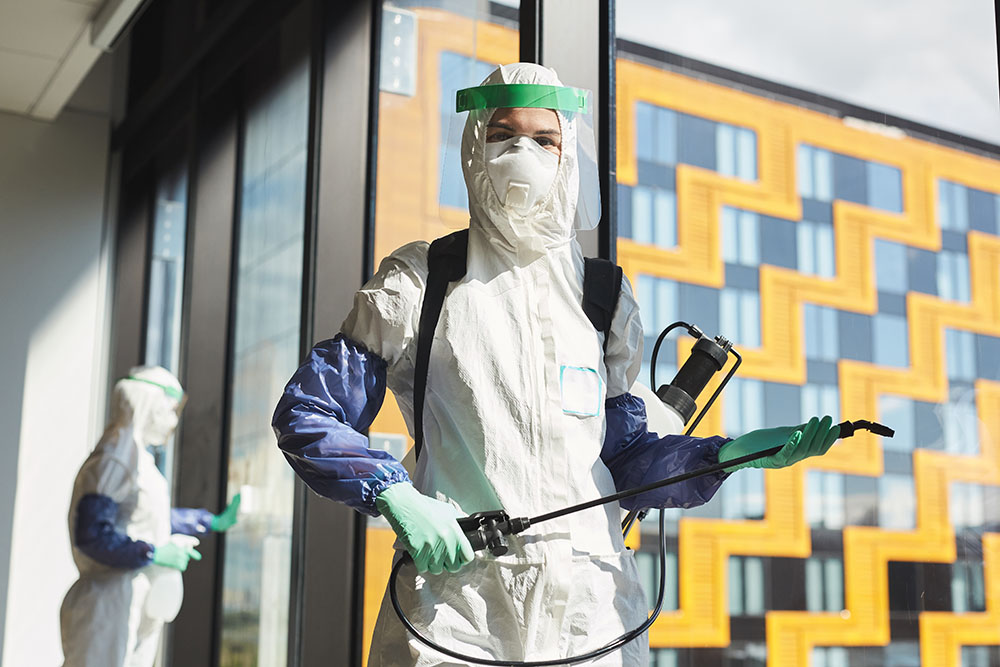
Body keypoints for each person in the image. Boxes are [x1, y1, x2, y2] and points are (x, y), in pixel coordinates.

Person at [272, 63, 839, 666]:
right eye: (503, 134)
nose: (524, 151)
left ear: (569, 154)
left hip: (590, 607)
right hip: (458, 601)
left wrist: (724, 455)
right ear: (473, 145)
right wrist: (397, 496)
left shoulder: (601, 297)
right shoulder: (423, 278)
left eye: (545, 139)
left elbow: (621, 459)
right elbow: (310, 413)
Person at [60, 366, 241, 667]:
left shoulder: (135, 459)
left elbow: (145, 516)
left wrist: (209, 521)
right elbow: (92, 534)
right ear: (149, 404)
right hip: (109, 601)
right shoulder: (116, 459)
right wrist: (155, 553)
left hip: (131, 598)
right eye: (170, 410)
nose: (173, 422)